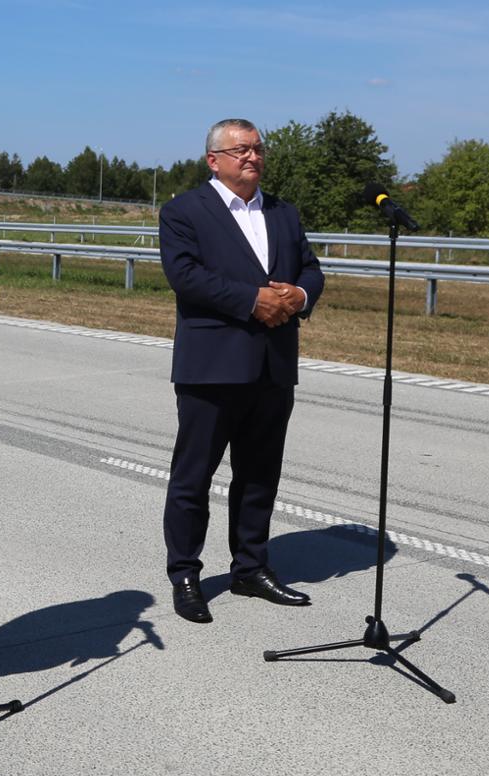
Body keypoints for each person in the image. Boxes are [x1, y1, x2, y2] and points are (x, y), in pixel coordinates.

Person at [157, 118, 324, 624]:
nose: (252, 157)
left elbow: (311, 268)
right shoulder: (185, 210)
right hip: (212, 367)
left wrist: (298, 295)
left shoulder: (283, 213)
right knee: (194, 476)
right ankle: (185, 574)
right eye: (240, 150)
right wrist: (253, 301)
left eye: (257, 149)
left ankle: (251, 567)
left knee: (259, 475)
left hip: (273, 366)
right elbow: (184, 276)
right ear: (214, 159)